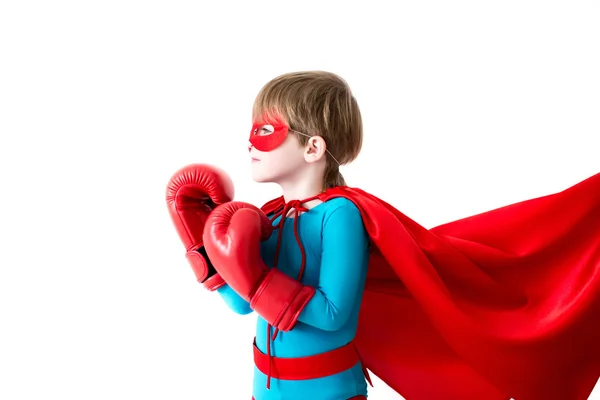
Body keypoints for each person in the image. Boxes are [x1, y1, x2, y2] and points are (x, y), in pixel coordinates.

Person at [168, 71, 600, 400]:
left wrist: (258, 278)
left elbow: (335, 315)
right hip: (264, 389)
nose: (250, 142)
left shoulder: (340, 216)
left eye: (265, 131)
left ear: (313, 148)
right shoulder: (268, 216)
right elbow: (243, 306)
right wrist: (202, 245)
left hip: (328, 392)